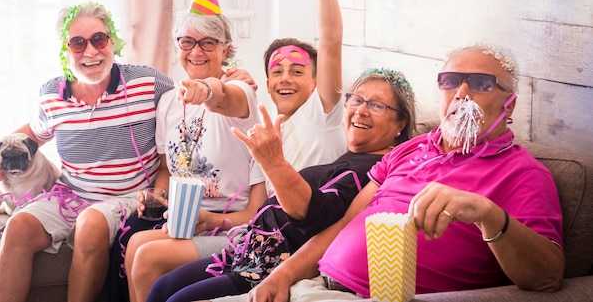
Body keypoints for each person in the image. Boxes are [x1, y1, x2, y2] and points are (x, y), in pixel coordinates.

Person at [238, 44, 564, 302]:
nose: (461, 93)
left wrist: (489, 215)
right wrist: (281, 277)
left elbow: (547, 277)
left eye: (481, 84)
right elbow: (342, 225)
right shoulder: (410, 149)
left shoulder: (524, 174)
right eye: (450, 81)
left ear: (510, 105)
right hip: (314, 285)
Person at [144, 67, 417, 302]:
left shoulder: (373, 170)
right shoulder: (353, 157)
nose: (361, 110)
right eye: (356, 99)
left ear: (400, 123)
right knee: (162, 287)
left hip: (268, 264)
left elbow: (314, 215)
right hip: (244, 251)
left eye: (377, 105)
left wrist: (274, 162)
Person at [0, 1, 176, 302]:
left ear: (112, 42)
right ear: (64, 50)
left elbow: (189, 104)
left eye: (99, 39)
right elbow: (32, 133)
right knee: (17, 226)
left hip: (126, 197)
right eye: (78, 43)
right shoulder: (51, 94)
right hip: (71, 195)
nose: (91, 51)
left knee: (91, 223)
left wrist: (227, 81)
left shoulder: (148, 82)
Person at [110, 0, 268, 302]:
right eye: (187, 41)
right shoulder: (168, 100)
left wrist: (206, 89)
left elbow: (226, 96)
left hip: (230, 224)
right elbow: (170, 169)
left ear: (225, 49)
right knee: (135, 245)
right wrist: (158, 197)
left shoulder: (243, 90)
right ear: (178, 45)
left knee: (147, 255)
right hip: (184, 220)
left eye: (208, 43)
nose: (196, 51)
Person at [262, 0, 347, 185]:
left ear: (315, 82)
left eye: (297, 71)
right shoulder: (270, 132)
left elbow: (331, 41)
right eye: (277, 72)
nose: (285, 79)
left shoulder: (322, 112)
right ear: (267, 84)